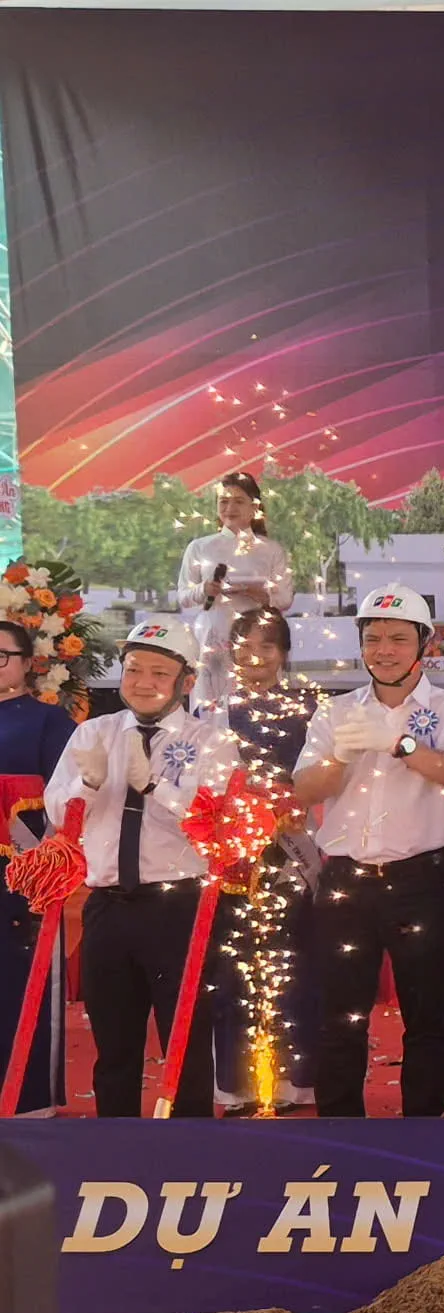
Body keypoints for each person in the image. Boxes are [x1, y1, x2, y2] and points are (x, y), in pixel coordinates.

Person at [294, 584, 444, 1117]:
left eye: (399, 639)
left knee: (427, 1015)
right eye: (373, 637)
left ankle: (420, 1131)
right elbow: (303, 790)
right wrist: (340, 755)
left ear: (424, 644)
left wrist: (401, 744)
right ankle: (341, 1135)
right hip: (344, 884)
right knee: (340, 1015)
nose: (384, 649)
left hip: (421, 882)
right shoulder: (335, 711)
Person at [45, 619, 237, 1116]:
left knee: (186, 1042)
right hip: (107, 905)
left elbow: (213, 821)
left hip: (179, 905)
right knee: (113, 1044)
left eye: (159, 672)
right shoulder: (94, 732)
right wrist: (87, 784)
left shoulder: (210, 741)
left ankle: (191, 1153)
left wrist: (153, 786)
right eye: (134, 670)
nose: (143, 682)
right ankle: (117, 1150)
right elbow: (57, 815)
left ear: (186, 681)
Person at [206, 608, 325, 1114]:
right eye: (246, 646)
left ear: (284, 653)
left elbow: (323, 773)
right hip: (232, 854)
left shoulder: (309, 707)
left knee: (293, 962)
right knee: (233, 965)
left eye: (268, 647)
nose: (256, 657)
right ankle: (237, 1083)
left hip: (292, 849)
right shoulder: (212, 710)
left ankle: (297, 1079)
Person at [0, 619, 75, 1116]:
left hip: (22, 876)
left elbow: (68, 801)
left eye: (1, 655)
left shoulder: (49, 722)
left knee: (18, 985)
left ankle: (27, 1102)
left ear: (30, 663)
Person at [176, 471, 295, 706]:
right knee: (211, 701)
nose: (230, 508)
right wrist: (204, 590)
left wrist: (262, 595)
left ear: (255, 507)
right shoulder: (200, 547)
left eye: (239, 501)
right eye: (224, 501)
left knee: (259, 703)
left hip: (257, 636)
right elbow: (183, 596)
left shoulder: (271, 550)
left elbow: (285, 598)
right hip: (214, 633)